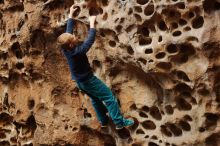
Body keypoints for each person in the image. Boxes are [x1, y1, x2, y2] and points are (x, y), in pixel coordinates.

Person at [57, 5, 134, 129]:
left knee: (95, 99)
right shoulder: (78, 52)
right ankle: (119, 122)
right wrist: (92, 24)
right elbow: (89, 41)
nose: (75, 37)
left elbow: (68, 31)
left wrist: (71, 15)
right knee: (109, 97)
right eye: (74, 38)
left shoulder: (65, 49)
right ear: (71, 44)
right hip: (88, 80)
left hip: (80, 82)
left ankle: (103, 121)